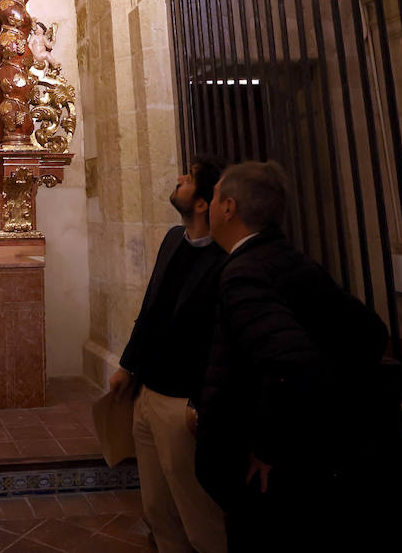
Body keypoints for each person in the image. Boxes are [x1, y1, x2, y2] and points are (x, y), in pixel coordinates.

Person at [194, 161, 395, 553]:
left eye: (215, 197)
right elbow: (370, 334)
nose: (211, 206)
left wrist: (269, 446)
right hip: (319, 459)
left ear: (229, 207)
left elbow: (291, 364)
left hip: (273, 476)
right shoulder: (287, 258)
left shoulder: (244, 273)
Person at [109, 156, 229, 553]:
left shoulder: (225, 260)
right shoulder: (173, 239)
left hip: (182, 402)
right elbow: (151, 307)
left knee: (197, 514)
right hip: (148, 392)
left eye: (189, 177)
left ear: (203, 203)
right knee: (156, 508)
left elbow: (221, 341)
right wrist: (128, 365)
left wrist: (200, 403)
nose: (179, 178)